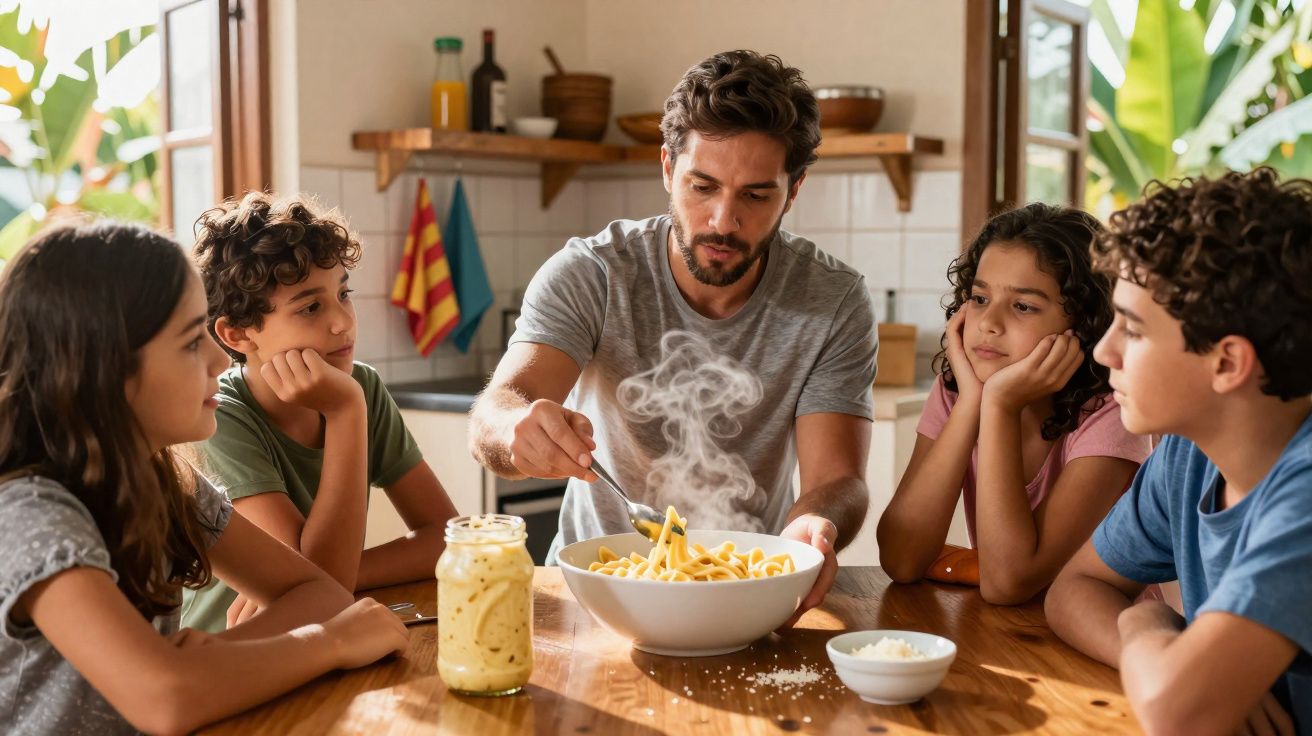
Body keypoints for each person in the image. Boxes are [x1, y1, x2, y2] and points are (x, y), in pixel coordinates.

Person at [469, 50, 877, 619]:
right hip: (597, 593)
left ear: (795, 187)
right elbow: (498, 409)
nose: (722, 221)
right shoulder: (593, 273)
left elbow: (838, 478)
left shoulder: (833, 300)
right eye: (702, 186)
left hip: (752, 591)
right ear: (667, 167)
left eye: (756, 196)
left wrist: (816, 522)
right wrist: (516, 428)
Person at [0, 220, 408, 735]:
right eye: (193, 341)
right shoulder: (29, 515)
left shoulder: (168, 484)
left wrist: (206, 661)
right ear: (105, 369)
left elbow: (321, 591)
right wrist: (332, 643)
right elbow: (166, 698)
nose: (219, 358)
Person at [1046, 168, 1312, 734]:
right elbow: (1073, 590)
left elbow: (1176, 713)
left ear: (1227, 363)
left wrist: (1147, 626)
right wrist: (1164, 660)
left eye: (1133, 330)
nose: (1103, 351)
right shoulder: (1190, 454)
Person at [181, 192, 460, 632]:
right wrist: (347, 412)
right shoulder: (221, 418)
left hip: (321, 636)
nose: (342, 322)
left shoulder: (361, 385)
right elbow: (322, 583)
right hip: (237, 653)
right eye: (311, 307)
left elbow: (449, 539)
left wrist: (343, 574)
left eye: (343, 294)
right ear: (237, 335)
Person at [876, 203, 1149, 604]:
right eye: (980, 298)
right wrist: (971, 403)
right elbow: (901, 559)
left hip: (1107, 643)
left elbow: (1009, 582)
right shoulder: (960, 390)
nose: (989, 323)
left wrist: (999, 406)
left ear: (1085, 323)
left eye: (1024, 306)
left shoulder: (1112, 414)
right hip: (1009, 636)